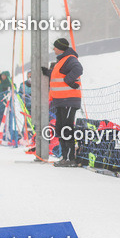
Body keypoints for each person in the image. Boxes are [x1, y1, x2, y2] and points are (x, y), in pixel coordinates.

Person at [41, 37, 83, 167]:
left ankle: (70, 159)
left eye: (55, 47)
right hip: (61, 101)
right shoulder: (62, 60)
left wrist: (68, 80)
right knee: (60, 128)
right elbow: (59, 75)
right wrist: (47, 72)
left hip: (68, 100)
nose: (53, 49)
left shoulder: (70, 59)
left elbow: (78, 69)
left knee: (66, 128)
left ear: (60, 48)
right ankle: (65, 157)